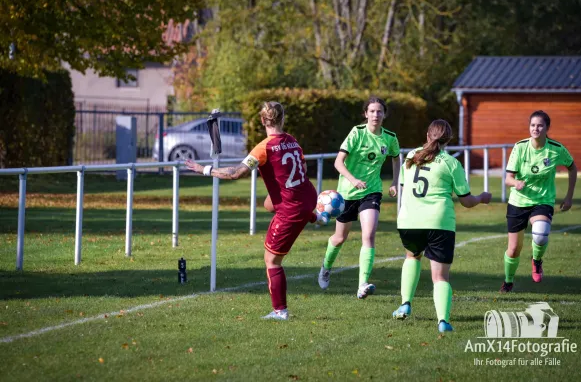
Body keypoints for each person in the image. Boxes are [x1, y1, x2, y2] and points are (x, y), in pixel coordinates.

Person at [186, 101, 326, 321]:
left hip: (292, 209)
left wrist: (204, 169)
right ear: (283, 118)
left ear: (262, 120)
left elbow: (235, 173)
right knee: (269, 204)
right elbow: (303, 170)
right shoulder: (294, 141)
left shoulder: (263, 147)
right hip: (308, 196)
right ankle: (316, 216)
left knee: (271, 260)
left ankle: (280, 311)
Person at [392, 119, 491, 333]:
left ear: (428, 134)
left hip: (408, 220)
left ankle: (405, 304)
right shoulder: (450, 163)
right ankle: (443, 322)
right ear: (448, 140)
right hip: (439, 222)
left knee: (411, 257)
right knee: (440, 276)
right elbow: (466, 200)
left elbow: (403, 188)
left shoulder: (410, 156)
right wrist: (482, 198)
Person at [317, 96, 400, 299]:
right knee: (339, 238)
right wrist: (353, 180)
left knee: (369, 235)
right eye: (371, 111)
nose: (375, 115)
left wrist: (396, 181)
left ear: (384, 114)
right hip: (346, 194)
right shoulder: (357, 133)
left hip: (371, 192)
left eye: (379, 111)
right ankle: (326, 267)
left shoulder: (390, 137)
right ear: (366, 114)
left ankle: (362, 283)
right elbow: (338, 162)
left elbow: (397, 158)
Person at [500, 110, 577, 293]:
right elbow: (507, 178)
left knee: (541, 235)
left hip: (543, 200)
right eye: (533, 125)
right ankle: (508, 281)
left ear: (547, 128)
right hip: (518, 201)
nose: (536, 128)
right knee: (513, 250)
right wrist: (516, 182)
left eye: (540, 125)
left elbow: (572, 168)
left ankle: (537, 260)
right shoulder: (520, 147)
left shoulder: (556, 149)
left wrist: (569, 197)